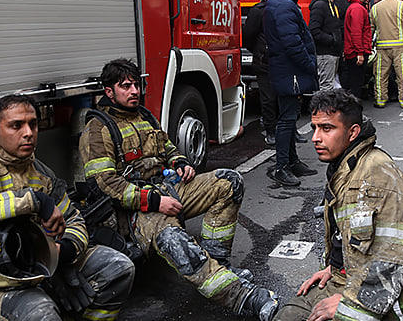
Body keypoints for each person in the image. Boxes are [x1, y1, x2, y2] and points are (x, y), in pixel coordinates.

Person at [80, 59, 279, 320]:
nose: (134, 91)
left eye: (136, 85)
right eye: (125, 86)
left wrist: (180, 162)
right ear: (109, 92)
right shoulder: (98, 129)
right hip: (135, 210)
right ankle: (246, 298)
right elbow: (105, 184)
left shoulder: (144, 116)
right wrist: (154, 202)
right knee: (177, 243)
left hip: (166, 188)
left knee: (229, 182)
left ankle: (218, 265)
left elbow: (166, 147)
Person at [0, 94, 135, 321]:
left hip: (30, 264)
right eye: (16, 126)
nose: (28, 132)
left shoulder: (42, 173)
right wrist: (35, 201)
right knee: (39, 313)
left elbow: (74, 221)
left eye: (33, 124)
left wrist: (61, 254)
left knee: (118, 269)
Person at [273, 89, 403, 321]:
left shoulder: (376, 175)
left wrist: (351, 302)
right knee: (288, 315)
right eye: (314, 127)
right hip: (346, 278)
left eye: (327, 128)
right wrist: (335, 267)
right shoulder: (344, 166)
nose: (315, 137)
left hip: (384, 299)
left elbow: (391, 259)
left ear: (353, 132)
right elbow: (351, 238)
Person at [264, 0, 320, 186]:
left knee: (290, 116)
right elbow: (292, 43)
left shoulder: (279, 3)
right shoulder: (285, 6)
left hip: (286, 69)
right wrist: (309, 64)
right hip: (290, 70)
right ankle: (282, 166)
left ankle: (292, 161)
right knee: (287, 119)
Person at [243, 0, 280, 145]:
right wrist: (260, 52)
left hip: (282, 64)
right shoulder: (258, 11)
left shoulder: (285, 9)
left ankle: (288, 131)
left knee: (285, 99)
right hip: (264, 64)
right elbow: (248, 37)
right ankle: (270, 131)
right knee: (268, 100)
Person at [310, 0, 344, 91]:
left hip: (333, 53)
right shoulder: (320, 6)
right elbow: (314, 30)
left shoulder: (333, 5)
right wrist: (332, 40)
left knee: (330, 86)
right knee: (326, 87)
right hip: (325, 54)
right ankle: (322, 109)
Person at [342, 0, 374, 98]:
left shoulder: (356, 7)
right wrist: (359, 53)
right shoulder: (358, 9)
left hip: (354, 51)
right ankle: (355, 112)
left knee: (354, 83)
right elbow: (356, 32)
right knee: (356, 85)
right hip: (356, 52)